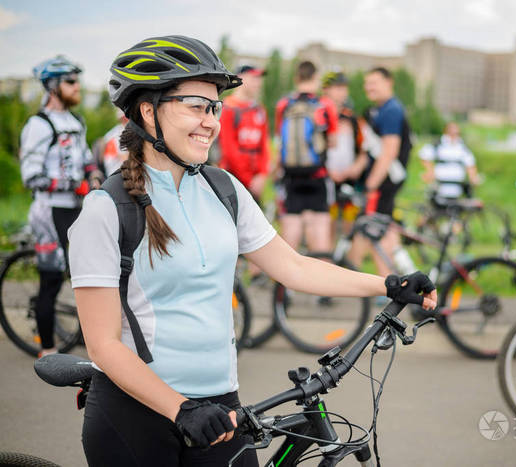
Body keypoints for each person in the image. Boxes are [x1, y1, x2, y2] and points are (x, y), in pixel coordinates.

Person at [67, 35, 437, 467]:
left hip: (220, 409)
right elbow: (103, 346)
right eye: (194, 105)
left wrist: (389, 284)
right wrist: (179, 408)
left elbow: (293, 267)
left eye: (214, 107)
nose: (211, 121)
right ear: (148, 111)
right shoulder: (106, 210)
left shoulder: (223, 191)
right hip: (136, 416)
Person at [19, 55, 102, 358]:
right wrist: (73, 185)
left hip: (74, 209)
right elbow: (32, 177)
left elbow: (86, 159)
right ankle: (48, 349)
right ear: (53, 87)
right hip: (48, 211)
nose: (77, 87)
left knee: (84, 273)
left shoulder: (75, 121)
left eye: (77, 80)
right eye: (70, 81)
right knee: (51, 280)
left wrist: (93, 175)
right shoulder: (38, 125)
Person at [347, 67, 413, 277]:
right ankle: (398, 279)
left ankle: (361, 280)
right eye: (367, 83)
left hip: (384, 183)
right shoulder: (380, 110)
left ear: (389, 82)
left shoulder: (391, 111)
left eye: (374, 82)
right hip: (385, 182)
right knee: (384, 231)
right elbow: (371, 150)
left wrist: (371, 185)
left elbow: (389, 152)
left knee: (370, 230)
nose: (369, 87)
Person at [274, 61, 338, 253]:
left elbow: (281, 140)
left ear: (297, 78)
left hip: (291, 177)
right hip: (317, 177)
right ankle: (319, 280)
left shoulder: (284, 104)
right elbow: (333, 141)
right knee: (320, 239)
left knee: (290, 236)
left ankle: (286, 282)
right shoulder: (325, 105)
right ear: (316, 78)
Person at [322, 70, 367, 237]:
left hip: (349, 179)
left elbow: (364, 151)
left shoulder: (354, 119)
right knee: (327, 224)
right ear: (325, 90)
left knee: (350, 225)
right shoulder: (318, 116)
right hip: (326, 177)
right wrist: (327, 171)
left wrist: (355, 168)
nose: (342, 92)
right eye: (337, 87)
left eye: (344, 87)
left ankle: (345, 259)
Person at [218, 64, 270, 202]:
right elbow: (229, 149)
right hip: (232, 179)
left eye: (259, 79)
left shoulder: (259, 110)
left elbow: (264, 145)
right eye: (254, 78)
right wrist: (249, 180)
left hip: (255, 182)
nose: (258, 83)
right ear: (241, 78)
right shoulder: (227, 108)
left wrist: (262, 175)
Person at [419, 121, 480, 201]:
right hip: (439, 184)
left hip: (457, 185)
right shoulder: (437, 144)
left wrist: (473, 177)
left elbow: (470, 164)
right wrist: (430, 171)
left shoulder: (463, 147)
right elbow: (424, 156)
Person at [100, 109, 129, 176]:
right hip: (118, 174)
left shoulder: (114, 131)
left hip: (113, 173)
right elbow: (125, 159)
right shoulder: (119, 133)